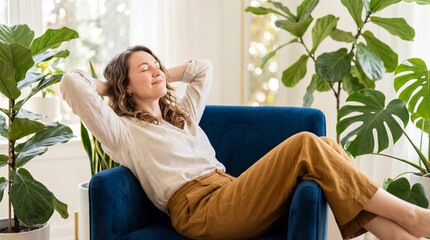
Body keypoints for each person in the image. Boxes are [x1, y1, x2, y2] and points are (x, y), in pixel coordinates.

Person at [60, 45, 430, 240]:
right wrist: (112, 83)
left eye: (157, 64)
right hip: (201, 210)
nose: (156, 70)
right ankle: (413, 216)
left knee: (326, 150)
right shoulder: (121, 131)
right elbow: (71, 83)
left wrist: (154, 72)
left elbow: (202, 67)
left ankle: (398, 236)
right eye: (144, 70)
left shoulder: (182, 116)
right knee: (307, 142)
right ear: (126, 86)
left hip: (231, 192)